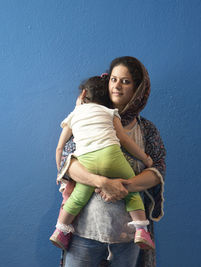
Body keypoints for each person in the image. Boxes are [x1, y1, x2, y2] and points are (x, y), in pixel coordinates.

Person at [56, 56, 166, 267]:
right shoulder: (85, 119)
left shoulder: (147, 130)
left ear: (138, 90)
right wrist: (102, 182)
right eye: (114, 79)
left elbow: (158, 168)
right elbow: (67, 163)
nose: (117, 86)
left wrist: (125, 186)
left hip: (128, 237)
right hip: (85, 233)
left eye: (125, 81)